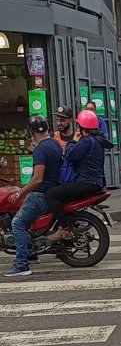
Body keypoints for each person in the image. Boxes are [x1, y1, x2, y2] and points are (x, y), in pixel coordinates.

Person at [3, 115, 63, 277]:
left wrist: (19, 192)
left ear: (32, 132)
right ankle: (31, 253)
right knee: (25, 221)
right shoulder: (55, 144)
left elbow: (37, 179)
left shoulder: (41, 149)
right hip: (52, 190)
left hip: (41, 194)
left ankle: (22, 265)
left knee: (18, 223)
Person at [45, 110, 114, 242]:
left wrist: (72, 141)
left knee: (51, 194)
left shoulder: (86, 141)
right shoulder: (98, 140)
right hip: (95, 182)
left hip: (87, 182)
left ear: (82, 128)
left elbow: (69, 156)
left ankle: (64, 228)